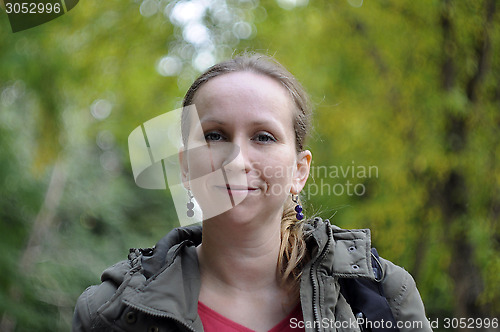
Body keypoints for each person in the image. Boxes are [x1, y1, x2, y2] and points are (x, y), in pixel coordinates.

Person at [72, 53, 432, 332]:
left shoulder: (380, 294)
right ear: (185, 167)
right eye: (214, 135)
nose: (236, 160)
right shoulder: (112, 311)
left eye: (263, 136)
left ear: (299, 170)